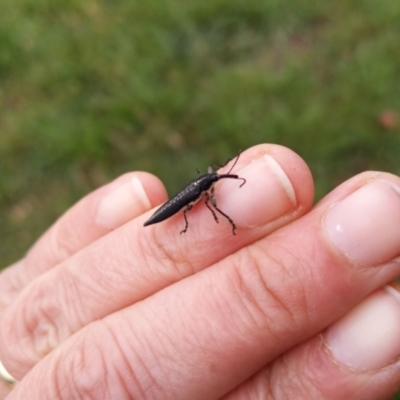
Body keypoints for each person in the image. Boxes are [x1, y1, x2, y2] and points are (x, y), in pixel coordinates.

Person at [1, 143, 400, 400]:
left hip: (180, 204)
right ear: (208, 180)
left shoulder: (207, 183)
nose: (222, 178)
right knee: (194, 213)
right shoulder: (201, 193)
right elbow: (201, 204)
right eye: (220, 176)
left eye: (221, 176)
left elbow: (209, 191)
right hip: (172, 211)